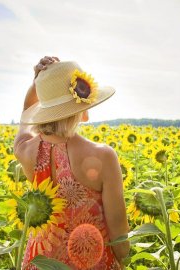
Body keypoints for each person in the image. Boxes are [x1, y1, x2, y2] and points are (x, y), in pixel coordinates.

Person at [14, 56, 129, 270]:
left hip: (39, 262)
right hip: (92, 262)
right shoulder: (103, 156)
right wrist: (124, 260)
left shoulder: (26, 149)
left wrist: (36, 84)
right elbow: (119, 232)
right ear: (82, 108)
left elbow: (24, 121)